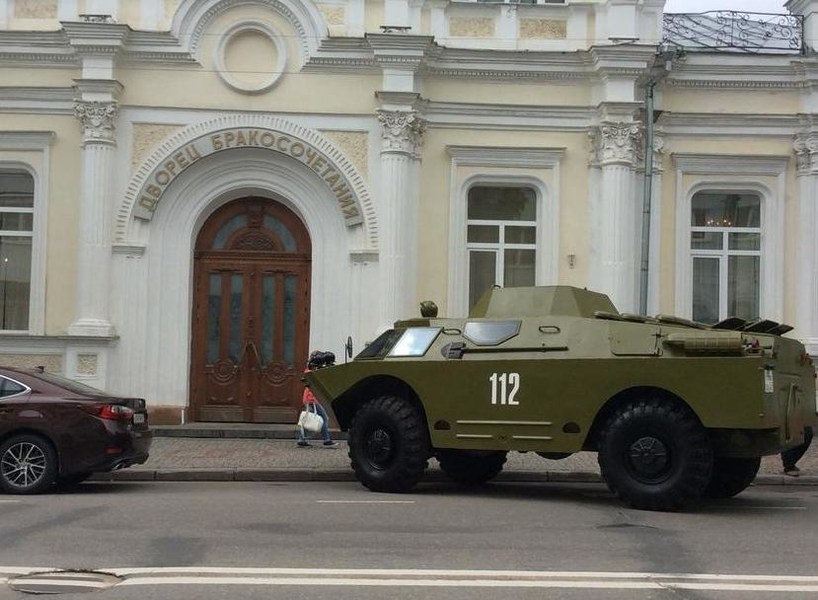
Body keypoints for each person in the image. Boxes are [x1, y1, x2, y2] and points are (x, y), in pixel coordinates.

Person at [296, 351, 338, 448]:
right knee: (324, 418)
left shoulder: (310, 371)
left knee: (308, 419)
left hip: (310, 399)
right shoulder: (312, 373)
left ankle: (302, 439)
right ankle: (326, 440)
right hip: (312, 399)